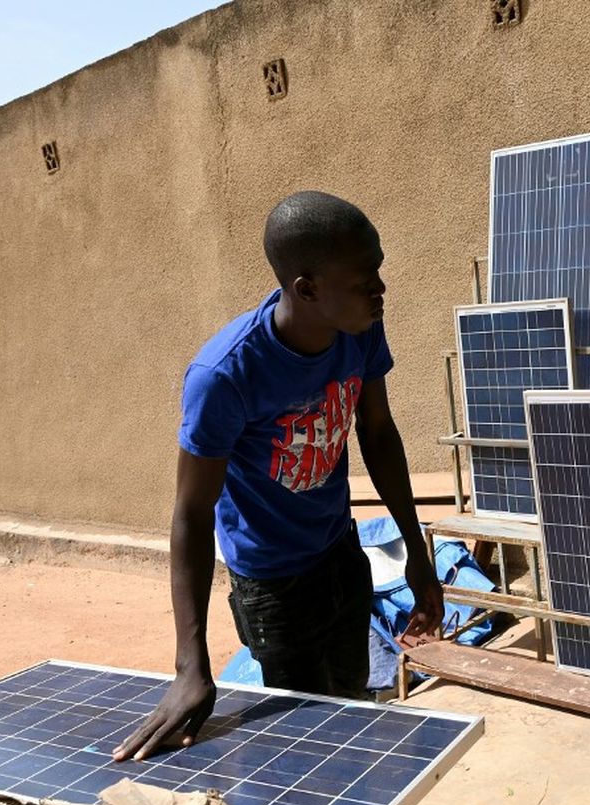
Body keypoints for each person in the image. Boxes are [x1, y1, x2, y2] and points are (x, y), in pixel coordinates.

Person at [113, 191, 444, 762]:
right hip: (273, 584)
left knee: (352, 707)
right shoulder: (225, 376)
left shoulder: (359, 328)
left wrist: (418, 553)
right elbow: (191, 514)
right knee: (305, 748)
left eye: (378, 271)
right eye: (364, 279)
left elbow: (378, 432)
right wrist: (190, 665)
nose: (381, 289)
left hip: (339, 553)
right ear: (307, 289)